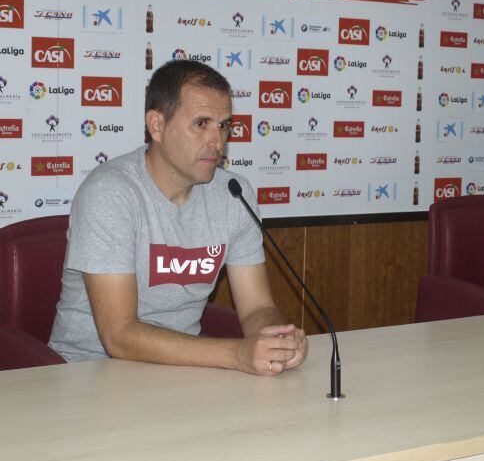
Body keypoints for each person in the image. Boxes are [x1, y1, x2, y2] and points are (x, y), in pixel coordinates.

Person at [49, 60, 307, 375]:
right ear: (157, 125)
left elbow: (258, 308)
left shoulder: (234, 193)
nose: (217, 143)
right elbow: (119, 335)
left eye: (224, 125)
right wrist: (237, 353)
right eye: (202, 124)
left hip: (182, 371)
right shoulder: (110, 193)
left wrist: (277, 337)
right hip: (89, 372)